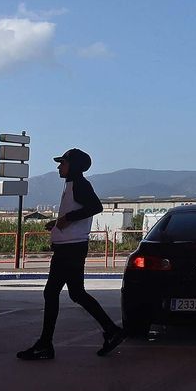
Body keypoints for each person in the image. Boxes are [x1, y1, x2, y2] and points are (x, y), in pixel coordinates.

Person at [17, 148, 126, 360]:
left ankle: (45, 344)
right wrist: (58, 223)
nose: (59, 166)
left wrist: (68, 218)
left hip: (70, 249)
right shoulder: (72, 185)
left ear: (73, 166)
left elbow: (95, 206)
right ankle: (111, 330)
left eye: (63, 163)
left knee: (51, 293)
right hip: (71, 246)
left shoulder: (80, 185)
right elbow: (76, 213)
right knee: (76, 293)